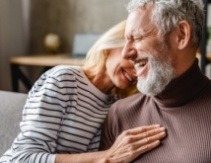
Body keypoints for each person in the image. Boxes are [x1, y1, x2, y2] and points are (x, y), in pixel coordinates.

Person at [0, 20, 166, 163]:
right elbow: (23, 158)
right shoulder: (63, 79)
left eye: (145, 65)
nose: (137, 72)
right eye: (135, 58)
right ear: (113, 44)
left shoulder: (115, 104)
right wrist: (108, 157)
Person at [100, 0, 211, 162]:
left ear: (181, 35)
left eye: (137, 38)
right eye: (126, 41)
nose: (126, 53)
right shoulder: (120, 114)